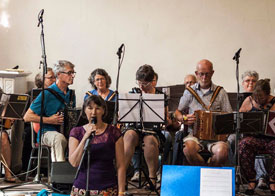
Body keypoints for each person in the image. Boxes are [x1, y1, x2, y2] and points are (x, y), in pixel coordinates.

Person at [174, 59, 232, 166]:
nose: (204, 77)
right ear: (196, 74)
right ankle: (205, 169)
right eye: (201, 74)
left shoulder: (221, 92)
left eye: (207, 74)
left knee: (222, 152)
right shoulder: (189, 91)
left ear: (212, 73)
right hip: (195, 135)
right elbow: (177, 112)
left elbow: (229, 116)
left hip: (216, 137)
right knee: (188, 150)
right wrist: (184, 118)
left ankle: (208, 170)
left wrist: (223, 128)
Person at [124, 64, 170, 189]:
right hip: (134, 128)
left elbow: (166, 120)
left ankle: (152, 178)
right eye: (139, 83)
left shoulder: (160, 96)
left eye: (145, 84)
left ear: (152, 82)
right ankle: (122, 176)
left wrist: (165, 119)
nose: (141, 87)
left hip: (152, 131)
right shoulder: (133, 93)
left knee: (150, 141)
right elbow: (123, 114)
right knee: (129, 136)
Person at [69, 95, 125, 196]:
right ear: (84, 110)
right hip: (81, 188)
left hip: (107, 188)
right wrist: (85, 137)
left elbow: (121, 165)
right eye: (90, 108)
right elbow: (74, 162)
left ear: (103, 111)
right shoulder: (76, 132)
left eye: (98, 108)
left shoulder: (114, 132)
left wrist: (121, 192)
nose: (93, 112)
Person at [24, 60, 76, 162]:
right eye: (70, 73)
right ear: (59, 75)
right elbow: (27, 117)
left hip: (65, 132)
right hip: (46, 132)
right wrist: (49, 120)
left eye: (73, 73)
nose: (73, 76)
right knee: (59, 139)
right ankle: (58, 174)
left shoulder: (71, 94)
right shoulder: (47, 94)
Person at [239, 79, 275, 195]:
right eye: (257, 98)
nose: (259, 101)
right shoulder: (249, 100)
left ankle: (273, 180)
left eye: (262, 98)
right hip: (254, 139)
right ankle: (251, 180)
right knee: (244, 144)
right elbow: (238, 120)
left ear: (268, 94)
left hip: (271, 140)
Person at [22, 67, 56, 171]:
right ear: (42, 80)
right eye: (51, 78)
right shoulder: (31, 94)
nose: (54, 80)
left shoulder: (56, 93)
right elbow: (26, 116)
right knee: (28, 134)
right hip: (33, 125)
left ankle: (54, 170)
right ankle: (26, 168)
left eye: (54, 77)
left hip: (52, 124)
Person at [172, 74, 197, 165]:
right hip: (183, 127)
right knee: (179, 135)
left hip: (195, 128)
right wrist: (184, 118)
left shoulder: (199, 96)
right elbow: (177, 114)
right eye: (187, 83)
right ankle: (176, 166)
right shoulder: (184, 97)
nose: (189, 85)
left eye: (191, 82)